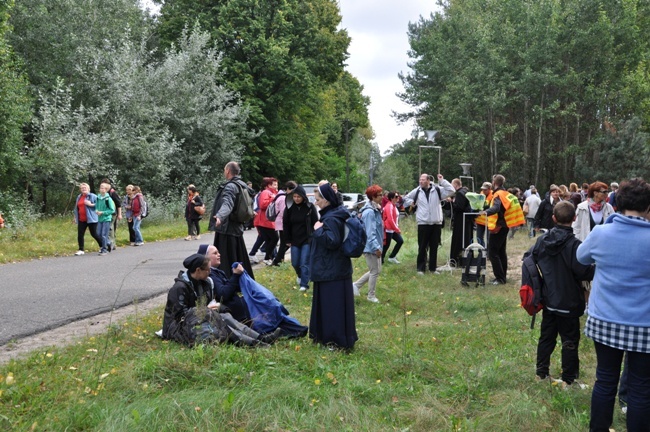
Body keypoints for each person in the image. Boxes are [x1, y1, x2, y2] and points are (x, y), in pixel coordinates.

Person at [577, 178, 650, 431]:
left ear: (615, 202)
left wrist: (608, 226)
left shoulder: (602, 233)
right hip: (644, 325)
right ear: (648, 208)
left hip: (605, 319)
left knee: (605, 380)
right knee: (641, 388)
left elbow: (581, 256)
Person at [530, 201, 594, 387]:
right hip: (570, 301)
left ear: (553, 218)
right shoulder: (576, 246)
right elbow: (583, 272)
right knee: (570, 341)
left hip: (549, 298)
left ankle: (541, 374)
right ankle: (569, 379)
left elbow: (532, 259)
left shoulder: (542, 240)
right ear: (574, 219)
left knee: (547, 337)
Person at [161, 254, 281, 347]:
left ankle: (261, 338)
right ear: (198, 270)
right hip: (179, 327)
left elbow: (210, 303)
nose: (210, 272)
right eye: (208, 270)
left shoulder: (206, 283)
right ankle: (255, 343)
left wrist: (218, 308)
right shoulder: (179, 288)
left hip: (200, 319)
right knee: (220, 320)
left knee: (226, 316)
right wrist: (205, 310)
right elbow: (178, 315)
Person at [309, 182, 358, 350]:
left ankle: (335, 341)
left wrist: (318, 230)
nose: (316, 203)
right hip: (335, 269)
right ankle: (334, 339)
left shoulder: (330, 218)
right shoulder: (336, 214)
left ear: (327, 200)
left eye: (317, 199)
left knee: (332, 308)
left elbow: (332, 241)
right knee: (336, 307)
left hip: (331, 271)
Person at [209, 161, 256, 278]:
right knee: (239, 257)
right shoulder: (243, 185)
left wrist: (220, 216)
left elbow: (227, 204)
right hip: (238, 227)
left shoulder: (230, 186)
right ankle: (243, 283)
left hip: (227, 229)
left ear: (228, 171)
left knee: (225, 260)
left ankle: (226, 284)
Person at [402, 173, 455, 275]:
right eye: (420, 180)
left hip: (436, 223)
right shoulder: (417, 190)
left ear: (428, 180)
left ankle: (432, 268)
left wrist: (442, 181)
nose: (420, 181)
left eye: (423, 180)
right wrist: (411, 203)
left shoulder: (437, 189)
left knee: (434, 246)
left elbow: (452, 190)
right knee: (422, 246)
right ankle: (420, 268)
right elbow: (406, 198)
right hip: (423, 222)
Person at [198, 244, 250, 323]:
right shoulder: (210, 275)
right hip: (232, 314)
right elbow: (223, 294)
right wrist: (235, 275)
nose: (219, 255)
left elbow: (231, 287)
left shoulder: (217, 271)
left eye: (218, 252)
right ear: (205, 257)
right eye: (215, 253)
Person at [283, 185, 318, 292]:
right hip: (294, 240)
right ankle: (300, 275)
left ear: (303, 196)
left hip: (307, 239)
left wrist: (315, 236)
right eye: (294, 196)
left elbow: (315, 222)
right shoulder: (289, 208)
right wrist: (287, 240)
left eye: (299, 196)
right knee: (295, 263)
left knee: (304, 263)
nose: (296, 199)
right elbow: (286, 225)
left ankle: (304, 284)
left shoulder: (310, 207)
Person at [352, 185, 384, 303]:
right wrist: (376, 247)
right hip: (370, 247)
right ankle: (371, 296)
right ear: (373, 197)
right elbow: (370, 233)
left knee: (376, 270)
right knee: (374, 271)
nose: (382, 197)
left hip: (375, 245)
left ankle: (355, 285)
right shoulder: (369, 212)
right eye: (380, 195)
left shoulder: (375, 209)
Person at [479, 174, 511, 285]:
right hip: (505, 224)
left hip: (498, 225)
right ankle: (503, 276)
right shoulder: (505, 193)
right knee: (501, 251)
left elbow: (497, 208)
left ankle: (499, 278)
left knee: (493, 252)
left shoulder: (497, 194)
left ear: (494, 182)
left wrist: (486, 212)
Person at [254, 177, 279, 266]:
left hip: (267, 221)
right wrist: (273, 199)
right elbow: (262, 205)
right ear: (269, 185)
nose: (276, 186)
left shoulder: (272, 193)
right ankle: (267, 258)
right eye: (274, 184)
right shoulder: (266, 192)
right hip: (265, 222)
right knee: (275, 239)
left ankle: (270, 258)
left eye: (277, 184)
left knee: (269, 240)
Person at [271, 181, 297, 266]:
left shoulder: (283, 196)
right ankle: (277, 260)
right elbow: (283, 212)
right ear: (287, 189)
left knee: (284, 243)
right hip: (282, 223)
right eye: (292, 189)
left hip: (281, 222)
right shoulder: (283, 198)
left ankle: (279, 259)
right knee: (285, 243)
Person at [448, 178, 473, 266]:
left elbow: (459, 207)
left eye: (452, 185)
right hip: (466, 220)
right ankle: (465, 259)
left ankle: (456, 259)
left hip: (461, 221)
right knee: (466, 239)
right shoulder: (466, 192)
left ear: (456, 185)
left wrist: (451, 202)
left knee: (458, 240)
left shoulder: (460, 193)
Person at [72, 183, 102, 255]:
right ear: (80, 190)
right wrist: (75, 217)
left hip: (91, 218)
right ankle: (81, 250)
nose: (83, 189)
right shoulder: (79, 197)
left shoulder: (93, 196)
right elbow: (76, 208)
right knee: (80, 234)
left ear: (89, 189)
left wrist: (90, 204)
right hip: (82, 219)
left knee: (94, 234)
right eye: (82, 188)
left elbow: (100, 205)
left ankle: (103, 246)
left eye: (85, 188)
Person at [382, 191, 404, 264]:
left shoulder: (393, 205)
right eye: (396, 197)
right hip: (389, 228)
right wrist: (396, 229)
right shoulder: (389, 206)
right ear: (392, 198)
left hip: (392, 229)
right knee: (386, 245)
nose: (398, 198)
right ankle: (380, 260)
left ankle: (392, 257)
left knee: (400, 241)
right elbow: (390, 219)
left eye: (398, 196)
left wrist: (395, 228)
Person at [100, 178, 122, 251]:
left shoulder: (113, 193)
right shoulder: (103, 193)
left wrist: (119, 214)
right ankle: (112, 244)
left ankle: (111, 244)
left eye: (104, 185)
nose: (103, 187)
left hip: (112, 213)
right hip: (106, 213)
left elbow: (118, 204)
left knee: (110, 228)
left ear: (108, 185)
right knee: (111, 229)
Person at [96, 182, 116, 256]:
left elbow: (112, 210)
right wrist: (97, 211)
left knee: (104, 234)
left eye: (103, 188)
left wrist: (103, 212)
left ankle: (104, 249)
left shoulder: (108, 199)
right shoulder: (98, 198)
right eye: (101, 188)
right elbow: (96, 207)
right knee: (98, 234)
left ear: (106, 190)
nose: (102, 189)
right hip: (100, 218)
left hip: (106, 218)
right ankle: (108, 243)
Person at [475, 182, 493, 247]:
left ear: (489, 189)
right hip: (480, 221)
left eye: (485, 189)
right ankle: (482, 252)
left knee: (489, 239)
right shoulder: (480, 195)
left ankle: (488, 253)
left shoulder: (493, 196)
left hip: (489, 221)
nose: (483, 191)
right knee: (479, 238)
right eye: (482, 189)